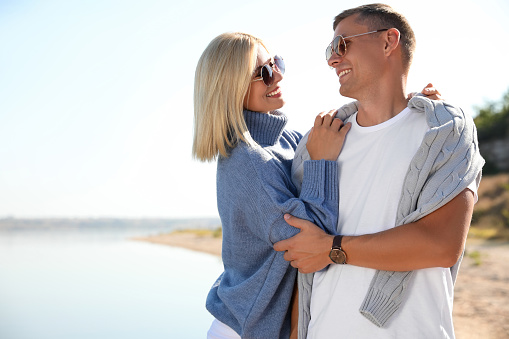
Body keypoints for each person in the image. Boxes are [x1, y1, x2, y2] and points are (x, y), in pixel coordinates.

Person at [273, 4, 485, 339]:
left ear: (388, 42)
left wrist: (332, 248)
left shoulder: (443, 132)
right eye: (330, 50)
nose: (332, 59)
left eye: (342, 45)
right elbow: (302, 260)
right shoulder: (317, 145)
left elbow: (441, 245)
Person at [193, 32, 350, 339]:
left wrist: (409, 107)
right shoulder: (246, 159)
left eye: (275, 63)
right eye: (263, 73)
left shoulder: (286, 139)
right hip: (243, 330)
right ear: (232, 89)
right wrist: (322, 163)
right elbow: (307, 241)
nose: (276, 74)